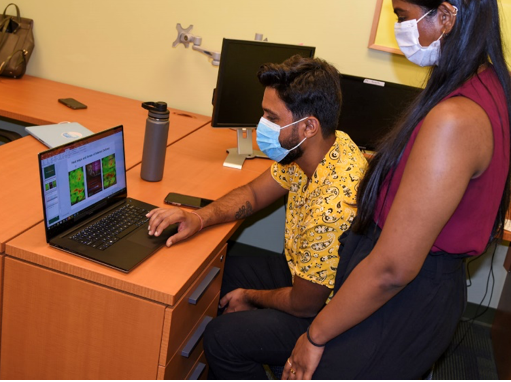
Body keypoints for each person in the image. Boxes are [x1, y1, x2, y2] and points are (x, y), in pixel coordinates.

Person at [281, 0, 511, 380]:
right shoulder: (484, 84)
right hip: (411, 292)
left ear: (445, 17)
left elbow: (392, 268)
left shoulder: (455, 118)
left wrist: (314, 336)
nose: (400, 28)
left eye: (403, 15)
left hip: (401, 299)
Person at [145, 55, 368, 379]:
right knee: (212, 278)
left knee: (222, 338)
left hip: (323, 312)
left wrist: (251, 298)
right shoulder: (321, 147)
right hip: (297, 271)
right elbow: (252, 194)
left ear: (308, 126)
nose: (261, 124)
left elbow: (305, 304)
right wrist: (199, 218)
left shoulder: (332, 209)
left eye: (270, 117)